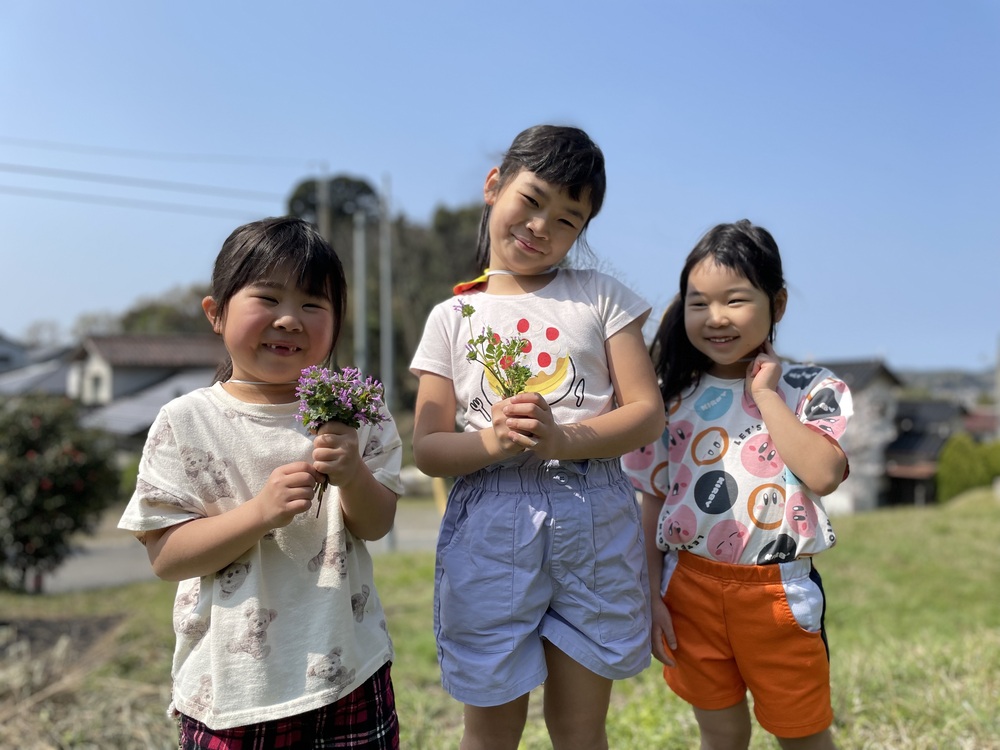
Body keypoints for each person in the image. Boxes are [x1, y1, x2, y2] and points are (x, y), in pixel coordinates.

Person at [409, 124, 665, 750]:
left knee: (580, 728)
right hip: (491, 523)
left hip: (594, 516)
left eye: (569, 219)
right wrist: (491, 445)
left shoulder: (602, 298)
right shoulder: (453, 317)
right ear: (494, 187)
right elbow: (429, 447)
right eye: (533, 199)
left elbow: (646, 413)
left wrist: (563, 442)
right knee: (491, 727)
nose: (542, 226)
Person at [118, 216, 404, 749]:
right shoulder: (186, 421)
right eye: (268, 299)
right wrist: (259, 513)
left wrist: (353, 474)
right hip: (232, 690)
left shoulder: (356, 408)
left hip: (347, 672)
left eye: (313, 305)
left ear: (337, 321)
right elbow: (167, 557)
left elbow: (378, 522)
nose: (291, 320)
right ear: (215, 313)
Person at [623, 219, 852, 750]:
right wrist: (650, 593)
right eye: (699, 302)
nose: (716, 318)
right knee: (720, 733)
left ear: (779, 303)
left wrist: (768, 396)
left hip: (778, 594)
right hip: (689, 589)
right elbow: (652, 501)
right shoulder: (668, 398)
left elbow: (823, 474)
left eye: (736, 300)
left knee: (803, 734)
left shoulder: (809, 388)